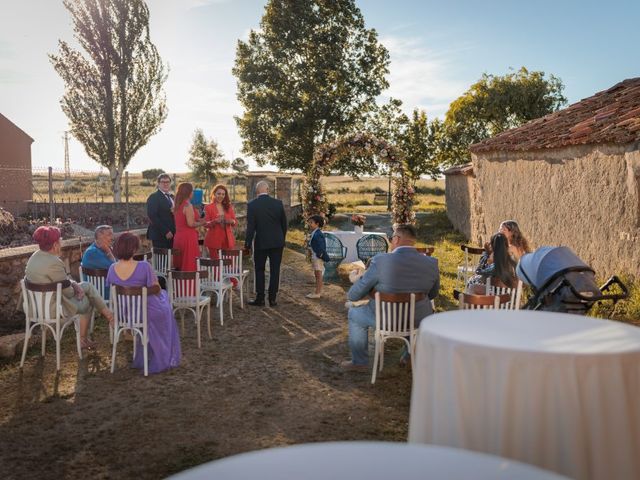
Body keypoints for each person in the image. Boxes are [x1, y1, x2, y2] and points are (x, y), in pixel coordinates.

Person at [341, 224, 440, 371]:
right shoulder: (432, 263)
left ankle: (359, 362)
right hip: (417, 319)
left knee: (354, 314)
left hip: (385, 319)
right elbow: (433, 294)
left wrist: (358, 282)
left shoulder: (380, 261)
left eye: (392, 237)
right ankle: (408, 355)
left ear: (396, 239)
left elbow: (354, 295)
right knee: (412, 316)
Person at [23, 226, 114, 350]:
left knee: (87, 287)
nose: (61, 243)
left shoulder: (34, 258)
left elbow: (62, 282)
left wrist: (75, 284)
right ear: (55, 244)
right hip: (53, 309)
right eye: (60, 241)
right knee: (87, 302)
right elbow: (69, 293)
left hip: (34, 308)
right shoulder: (54, 262)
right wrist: (76, 289)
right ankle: (104, 322)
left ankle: (107, 319)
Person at [107, 232, 181, 374]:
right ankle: (162, 352)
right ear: (133, 249)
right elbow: (156, 288)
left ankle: (150, 351)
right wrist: (143, 290)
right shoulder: (144, 266)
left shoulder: (112, 269)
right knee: (165, 304)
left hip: (125, 314)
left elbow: (113, 289)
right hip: (143, 313)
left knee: (161, 303)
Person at [245, 180, 287, 307]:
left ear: (257, 191)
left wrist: (247, 243)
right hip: (277, 242)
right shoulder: (278, 203)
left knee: (259, 270)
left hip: (261, 242)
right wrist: (281, 239)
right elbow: (284, 225)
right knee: (275, 270)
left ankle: (260, 298)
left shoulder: (252, 205)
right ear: (268, 190)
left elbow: (251, 227)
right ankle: (273, 299)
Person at [173, 182, 205, 272]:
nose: (193, 193)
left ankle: (179, 284)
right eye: (192, 191)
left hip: (178, 236)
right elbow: (190, 224)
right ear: (189, 192)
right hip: (188, 237)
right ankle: (189, 285)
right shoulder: (188, 205)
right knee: (189, 263)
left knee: (180, 262)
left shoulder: (177, 205)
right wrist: (202, 223)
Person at [81, 225, 116, 299]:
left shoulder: (103, 250)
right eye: (109, 234)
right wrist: (109, 252)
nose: (112, 238)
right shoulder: (92, 252)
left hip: (106, 293)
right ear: (100, 236)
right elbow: (116, 268)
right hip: (101, 296)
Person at [204, 184, 237, 259]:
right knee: (216, 265)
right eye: (219, 193)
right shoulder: (208, 207)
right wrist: (215, 221)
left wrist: (231, 221)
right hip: (213, 240)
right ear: (214, 194)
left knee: (228, 264)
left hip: (227, 240)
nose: (221, 196)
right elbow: (205, 224)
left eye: (223, 194)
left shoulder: (228, 207)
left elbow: (235, 222)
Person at [146, 173, 176, 249]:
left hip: (172, 234)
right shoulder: (154, 197)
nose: (165, 184)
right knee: (162, 260)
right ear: (158, 184)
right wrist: (165, 231)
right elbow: (152, 216)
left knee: (170, 259)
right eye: (163, 182)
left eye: (167, 182)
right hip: (160, 235)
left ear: (170, 183)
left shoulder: (172, 196)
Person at [306, 215, 330, 299]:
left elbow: (321, 247)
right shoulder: (315, 232)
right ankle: (317, 291)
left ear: (317, 224)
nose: (309, 224)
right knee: (317, 274)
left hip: (317, 257)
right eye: (309, 222)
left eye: (311, 222)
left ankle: (317, 293)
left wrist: (319, 255)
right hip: (315, 256)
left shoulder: (318, 234)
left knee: (318, 274)